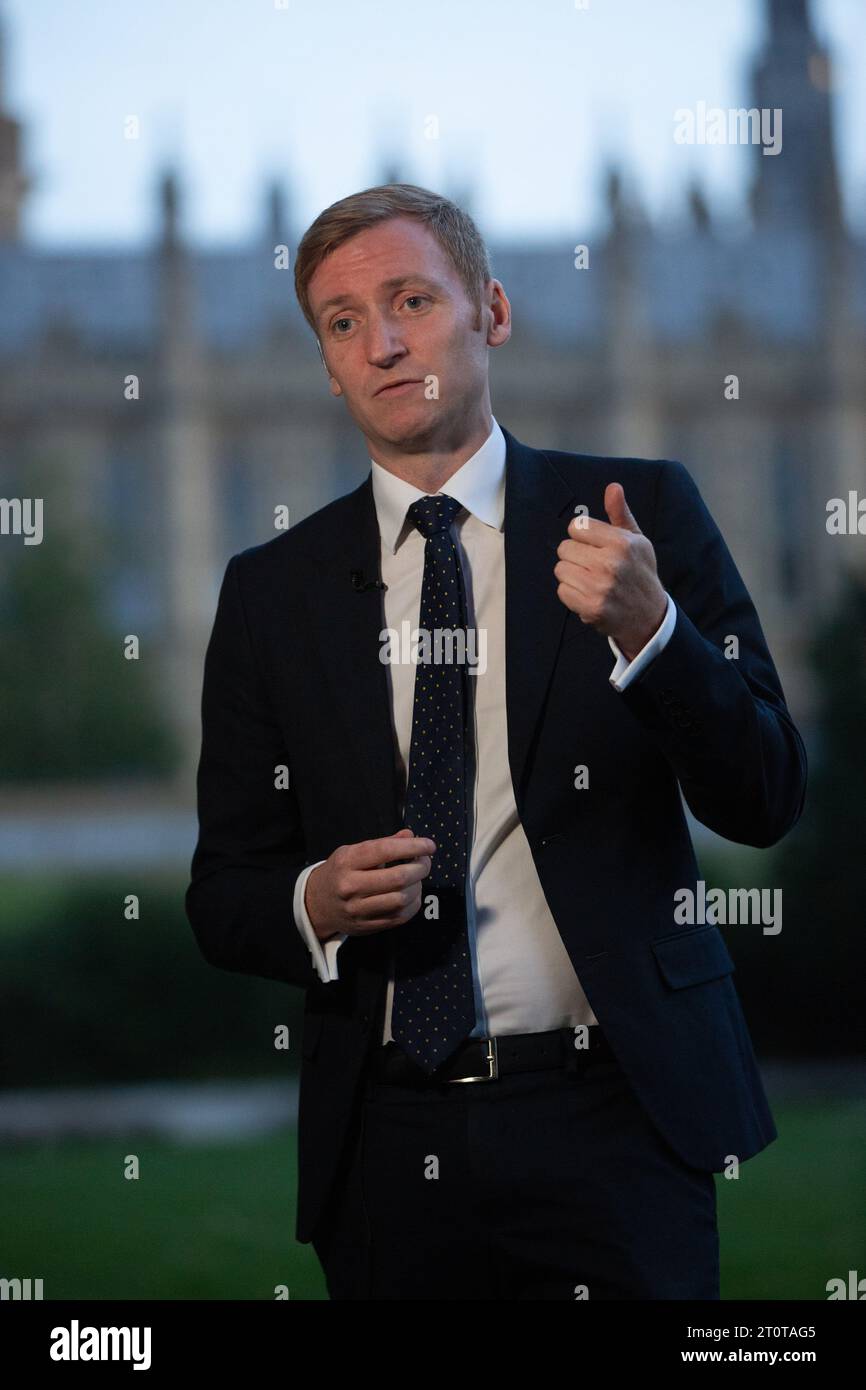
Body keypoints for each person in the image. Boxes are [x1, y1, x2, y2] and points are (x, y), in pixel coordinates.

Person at [185, 183, 807, 1300]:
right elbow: (223, 888)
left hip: (613, 1118)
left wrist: (652, 633)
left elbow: (763, 793)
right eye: (341, 322)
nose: (380, 342)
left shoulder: (634, 512)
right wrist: (311, 900)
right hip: (381, 1136)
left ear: (493, 312)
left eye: (411, 300)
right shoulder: (270, 593)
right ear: (325, 365)